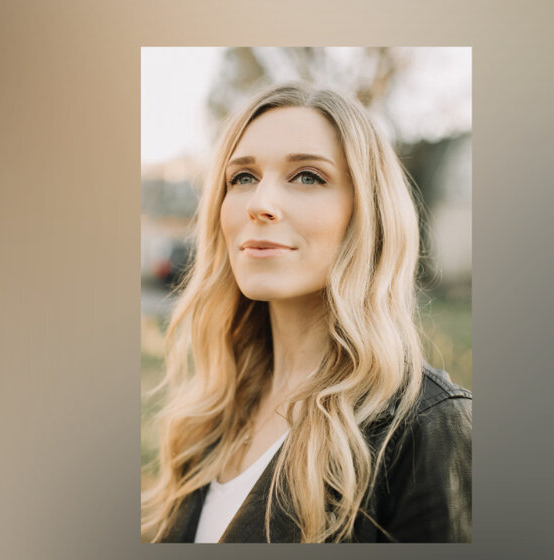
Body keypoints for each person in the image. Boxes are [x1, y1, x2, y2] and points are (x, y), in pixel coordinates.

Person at [141, 82, 472, 543]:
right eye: (243, 178)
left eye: (308, 177)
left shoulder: (427, 428)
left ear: (368, 213)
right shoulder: (213, 413)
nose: (260, 204)